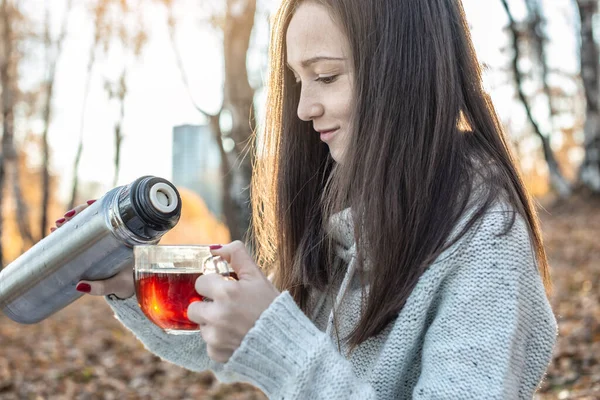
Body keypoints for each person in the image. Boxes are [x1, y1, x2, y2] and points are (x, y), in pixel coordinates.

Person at [55, 0, 557, 398]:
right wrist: (132, 285)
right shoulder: (353, 210)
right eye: (299, 79)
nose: (303, 107)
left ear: (405, 70)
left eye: (327, 76)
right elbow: (229, 342)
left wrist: (277, 343)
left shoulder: (485, 239)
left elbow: (282, 348)